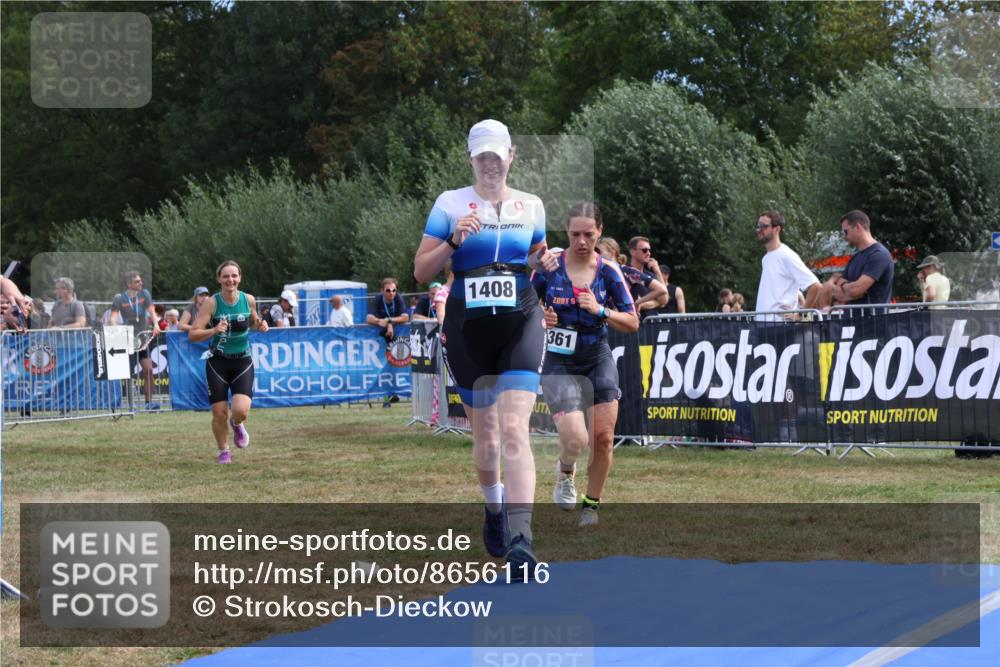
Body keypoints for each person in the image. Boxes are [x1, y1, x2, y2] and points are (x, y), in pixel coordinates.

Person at [413, 118, 557, 577]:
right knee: (488, 437)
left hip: (520, 321)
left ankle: (522, 539)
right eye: (483, 157)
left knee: (516, 430)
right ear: (471, 159)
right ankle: (494, 509)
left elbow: (535, 254)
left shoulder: (530, 204)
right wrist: (455, 240)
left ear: (511, 156)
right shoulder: (450, 204)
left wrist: (545, 260)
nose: (491, 163)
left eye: (499, 155)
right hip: (468, 326)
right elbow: (420, 271)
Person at [533, 203, 638, 527]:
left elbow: (632, 321)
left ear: (600, 233)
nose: (581, 241)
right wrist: (542, 316)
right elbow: (525, 307)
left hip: (596, 356)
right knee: (576, 438)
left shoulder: (608, 271)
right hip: (559, 361)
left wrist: (601, 311)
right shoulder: (550, 266)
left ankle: (591, 505)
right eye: (575, 234)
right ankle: (566, 472)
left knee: (604, 437)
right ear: (567, 231)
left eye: (589, 235)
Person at [188, 260, 269, 464]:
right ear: (219, 279)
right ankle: (224, 451)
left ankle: (237, 424)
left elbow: (254, 320)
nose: (230, 279)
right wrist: (214, 330)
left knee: (241, 410)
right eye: (225, 276)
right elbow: (193, 334)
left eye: (234, 276)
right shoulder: (212, 303)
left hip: (242, 361)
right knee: (219, 413)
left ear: (240, 278)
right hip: (217, 362)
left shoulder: (248, 300)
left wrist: (261, 325)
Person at [819, 210, 894, 314]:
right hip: (853, 323)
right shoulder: (855, 257)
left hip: (873, 324)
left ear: (858, 227)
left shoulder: (878, 255)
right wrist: (853, 288)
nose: (844, 237)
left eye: (845, 232)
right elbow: (837, 293)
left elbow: (856, 290)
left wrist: (848, 287)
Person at [753, 210, 821, 320]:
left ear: (777, 229)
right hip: (764, 325)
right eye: (758, 226)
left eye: (764, 226)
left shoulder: (787, 255)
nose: (759, 230)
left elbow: (816, 286)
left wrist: (800, 314)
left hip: (781, 326)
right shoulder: (765, 258)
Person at [111, 271, 160, 409]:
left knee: (148, 369)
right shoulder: (120, 299)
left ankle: (149, 403)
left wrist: (156, 324)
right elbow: (113, 317)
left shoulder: (144, 294)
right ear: (129, 284)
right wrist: (114, 327)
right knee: (127, 373)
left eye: (140, 280)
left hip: (142, 338)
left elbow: (152, 311)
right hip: (127, 338)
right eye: (137, 282)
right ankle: (130, 405)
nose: (141, 283)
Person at [597, 237, 667, 316]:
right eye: (644, 250)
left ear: (612, 252)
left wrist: (638, 302)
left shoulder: (627, 271)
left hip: (628, 322)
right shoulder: (599, 273)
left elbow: (662, 291)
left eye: (599, 252)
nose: (596, 255)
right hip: (609, 321)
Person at [367, 278, 408, 407]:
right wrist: (380, 322)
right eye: (388, 290)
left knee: (394, 367)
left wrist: (389, 321)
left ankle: (394, 394)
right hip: (379, 339)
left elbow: (405, 317)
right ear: (382, 291)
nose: (392, 293)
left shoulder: (398, 298)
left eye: (394, 290)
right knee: (382, 369)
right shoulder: (378, 299)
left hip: (395, 338)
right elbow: (369, 318)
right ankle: (386, 398)